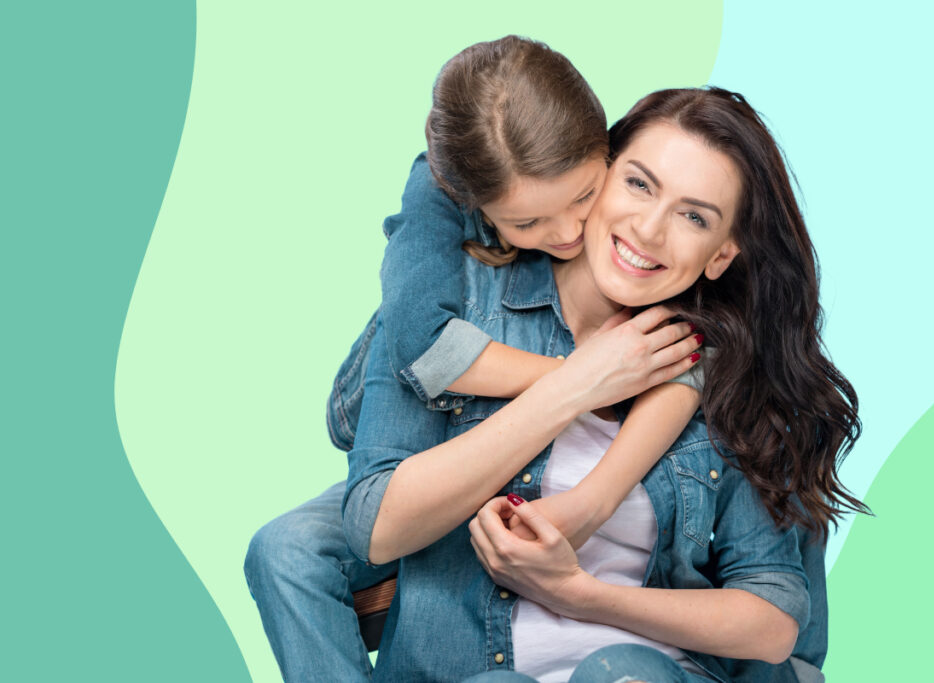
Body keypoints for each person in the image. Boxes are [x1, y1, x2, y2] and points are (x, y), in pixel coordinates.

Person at [341, 87, 866, 682]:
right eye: (640, 184)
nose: (649, 229)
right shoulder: (453, 306)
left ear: (721, 255)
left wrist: (580, 593)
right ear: (599, 175)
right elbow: (374, 524)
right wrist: (579, 382)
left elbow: (775, 616)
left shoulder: (723, 374)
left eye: (694, 216)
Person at [245, 37, 703, 682]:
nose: (568, 233)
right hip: (412, 429)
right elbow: (418, 356)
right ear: (476, 207)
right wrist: (582, 382)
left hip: (520, 468)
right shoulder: (440, 213)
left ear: (606, 147)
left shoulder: (650, 215)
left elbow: (697, 358)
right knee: (286, 549)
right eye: (527, 224)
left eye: (582, 197)